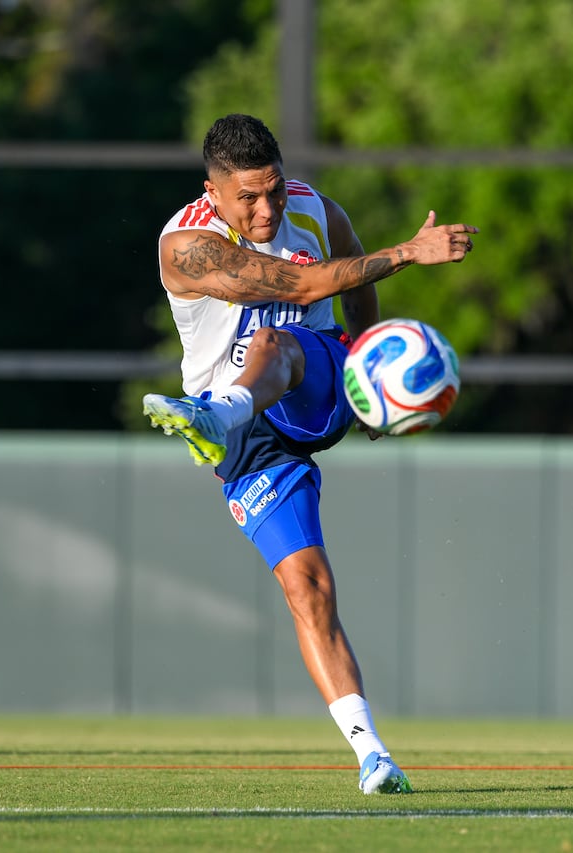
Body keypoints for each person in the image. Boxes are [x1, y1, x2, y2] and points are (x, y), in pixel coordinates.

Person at [142, 114, 476, 794]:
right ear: (213, 190)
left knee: (277, 345)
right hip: (253, 443)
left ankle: (217, 414)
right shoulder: (185, 246)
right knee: (307, 585)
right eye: (249, 198)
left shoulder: (315, 210)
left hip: (309, 376)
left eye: (274, 190)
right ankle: (372, 753)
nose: (267, 209)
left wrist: (371, 367)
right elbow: (292, 285)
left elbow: (349, 283)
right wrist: (409, 251)